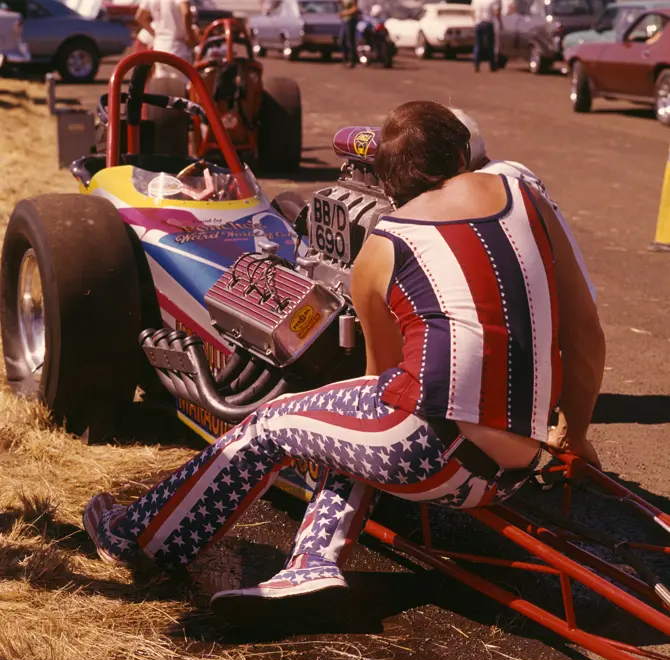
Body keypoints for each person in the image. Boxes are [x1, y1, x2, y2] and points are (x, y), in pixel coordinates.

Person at [82, 101, 605, 622]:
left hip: (435, 462)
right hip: (519, 462)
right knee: (345, 419)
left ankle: (135, 538)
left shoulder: (384, 244)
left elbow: (379, 381)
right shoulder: (526, 194)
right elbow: (585, 334)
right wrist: (575, 436)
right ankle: (311, 563)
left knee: (267, 425)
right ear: (464, 153)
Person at [448, 106, 601, 466]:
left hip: (541, 340)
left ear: (457, 158)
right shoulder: (509, 173)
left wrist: (570, 434)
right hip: (559, 332)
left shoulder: (489, 192)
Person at [135, 0, 199, 79]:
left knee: (161, 86)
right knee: (180, 86)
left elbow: (140, 16)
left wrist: (156, 35)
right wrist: (189, 36)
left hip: (159, 45)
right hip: (177, 46)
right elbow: (186, 12)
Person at [471, 0, 502, 72]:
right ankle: (492, 65)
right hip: (488, 22)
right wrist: (500, 22)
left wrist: (475, 21)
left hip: (478, 23)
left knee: (478, 44)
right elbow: (496, 12)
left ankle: (476, 64)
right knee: (490, 45)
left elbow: (472, 12)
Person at [340, 0, 360, 68]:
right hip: (344, 20)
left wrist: (345, 13)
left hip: (351, 21)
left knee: (350, 41)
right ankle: (345, 60)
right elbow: (342, 6)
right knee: (342, 41)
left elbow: (355, 8)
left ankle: (352, 61)